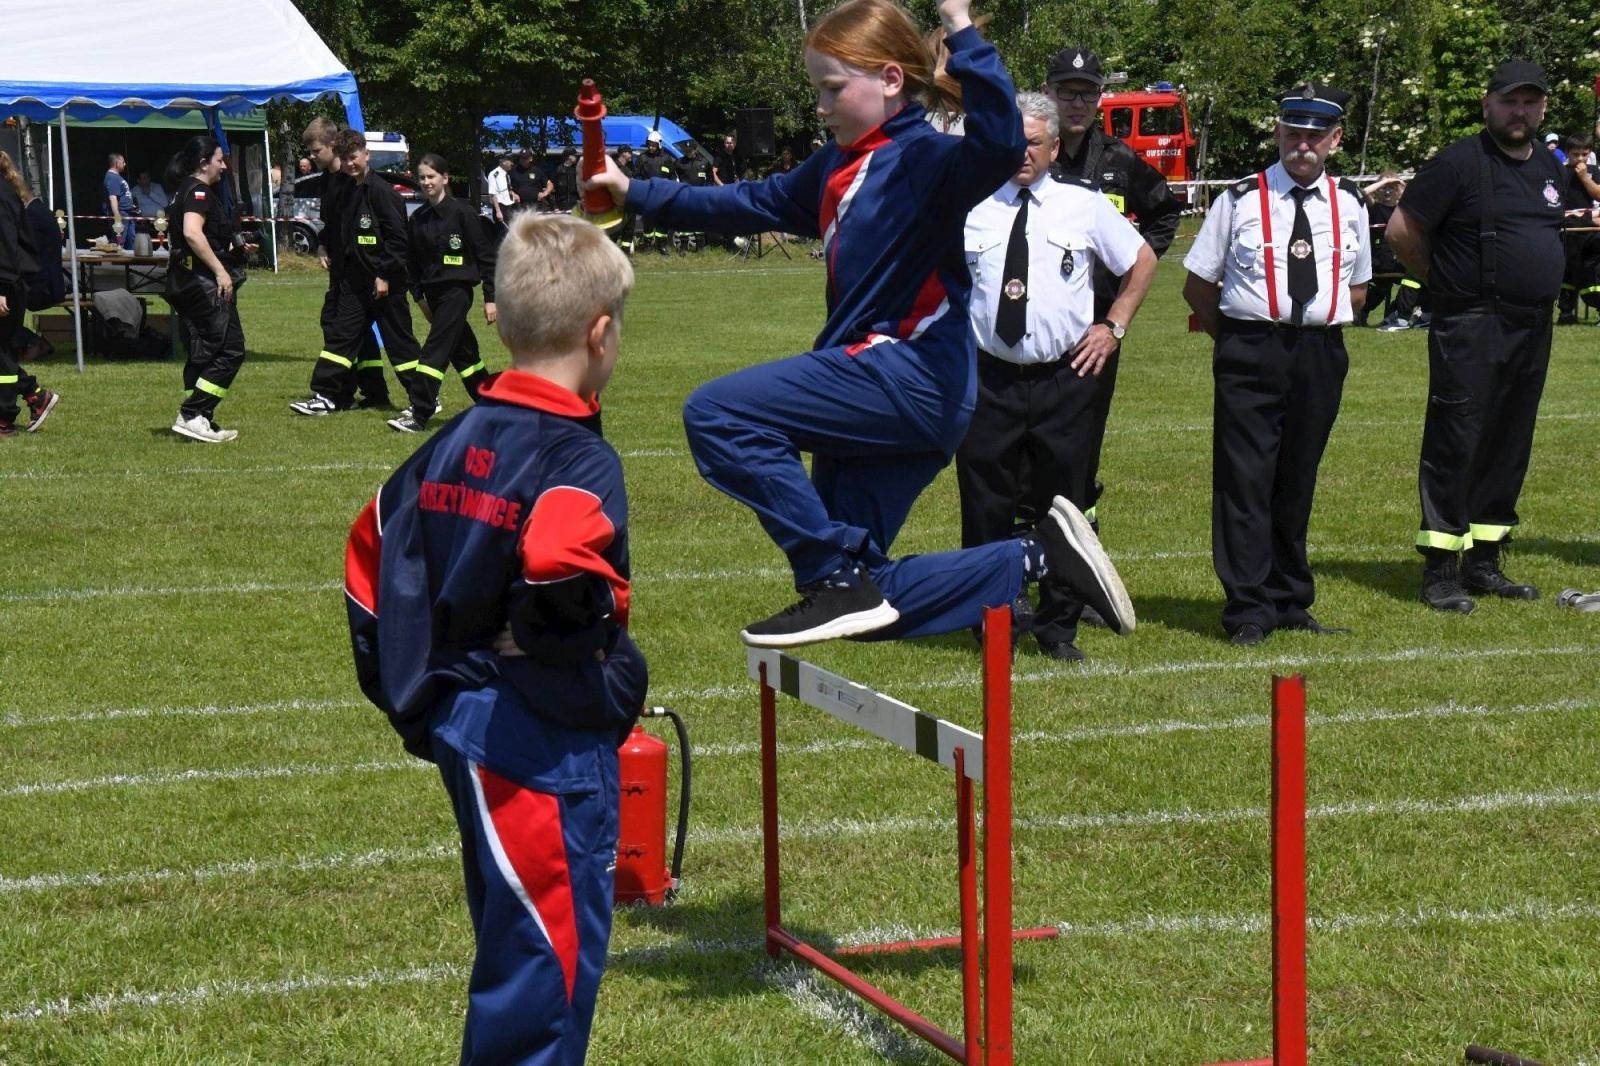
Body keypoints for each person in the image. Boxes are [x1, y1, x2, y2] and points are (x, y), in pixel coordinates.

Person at [586, 0, 1135, 647]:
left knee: (718, 414)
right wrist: (636, 192)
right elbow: (748, 202)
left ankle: (828, 571)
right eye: (818, 90)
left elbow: (999, 141)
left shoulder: (927, 160)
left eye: (833, 88)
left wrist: (959, 26)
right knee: (861, 600)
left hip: (910, 373)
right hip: (895, 391)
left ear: (891, 80)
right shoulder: (836, 165)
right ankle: (1039, 556)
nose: (821, 106)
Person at [344, 212, 646, 1066]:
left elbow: (369, 552)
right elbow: (555, 555)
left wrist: (416, 688)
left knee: (516, 948)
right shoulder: (578, 456)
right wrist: (570, 638)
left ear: (499, 320)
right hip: (540, 744)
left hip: (467, 726)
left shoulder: (453, 438)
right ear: (600, 334)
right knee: (543, 979)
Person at [957, 91, 1156, 662]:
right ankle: (992, 621)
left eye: (1035, 143)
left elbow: (1141, 260)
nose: (1023, 153)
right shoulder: (970, 206)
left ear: (1051, 148)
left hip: (1065, 378)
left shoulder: (1083, 205)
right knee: (986, 504)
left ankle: (1058, 627)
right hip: (988, 377)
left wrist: (1113, 326)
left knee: (1064, 508)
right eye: (1013, 142)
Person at [1182, 82, 1371, 646]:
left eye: (1315, 136)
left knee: (1298, 475)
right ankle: (1248, 606)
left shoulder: (1351, 204)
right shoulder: (1239, 199)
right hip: (1251, 348)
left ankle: (1290, 599)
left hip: (1320, 351)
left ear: (1336, 140)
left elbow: (1358, 290)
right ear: (1278, 133)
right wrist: (1241, 341)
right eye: (1293, 134)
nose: (1303, 146)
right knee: (1244, 479)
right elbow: (1198, 286)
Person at [1386, 60, 1573, 613]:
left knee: (1508, 441)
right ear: (1487, 104)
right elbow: (1401, 231)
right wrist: (1444, 283)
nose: (1520, 111)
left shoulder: (1550, 166)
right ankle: (1441, 570)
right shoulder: (1458, 163)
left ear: (1543, 108)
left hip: (1532, 324)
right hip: (1472, 321)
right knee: (1457, 440)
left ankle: (1485, 561)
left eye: (1530, 102)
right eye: (1510, 101)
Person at [1043, 44, 1181, 629]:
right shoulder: (1029, 156)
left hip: (1094, 336)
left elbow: (1165, 214)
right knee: (1022, 464)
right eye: (1066, 92)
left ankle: (1079, 583)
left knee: (1079, 458)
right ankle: (1021, 579)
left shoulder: (1119, 162)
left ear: (1098, 99)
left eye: (1086, 93)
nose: (1076, 103)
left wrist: (1129, 268)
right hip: (1031, 332)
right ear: (1048, 95)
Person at [291, 129, 428, 418]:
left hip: (386, 283)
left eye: (354, 157)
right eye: (345, 159)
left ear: (367, 155)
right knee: (341, 336)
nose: (350, 164)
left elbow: (398, 241)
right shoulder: (350, 190)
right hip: (355, 281)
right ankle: (326, 396)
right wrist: (325, 245)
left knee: (399, 343)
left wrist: (384, 274)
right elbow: (341, 230)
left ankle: (425, 397)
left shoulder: (383, 193)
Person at [289, 118, 391, 414]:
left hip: (360, 269)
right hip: (341, 268)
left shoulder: (353, 181)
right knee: (358, 332)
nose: (312, 157)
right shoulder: (328, 180)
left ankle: (331, 394)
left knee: (340, 327)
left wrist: (379, 270)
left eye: (316, 150)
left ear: (333, 145)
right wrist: (322, 244)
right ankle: (374, 392)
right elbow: (332, 224)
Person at [396, 153, 498, 433]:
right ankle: (493, 407)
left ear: (445, 178)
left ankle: (419, 412)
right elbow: (412, 264)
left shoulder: (463, 213)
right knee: (465, 355)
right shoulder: (418, 218)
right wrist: (419, 298)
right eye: (422, 177)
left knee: (435, 350)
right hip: (433, 296)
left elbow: (486, 258)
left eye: (431, 176)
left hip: (457, 292)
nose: (426, 182)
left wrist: (491, 298)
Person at [164, 135, 252, 443]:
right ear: (203, 163)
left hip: (186, 281)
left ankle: (200, 417)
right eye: (219, 160)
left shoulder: (183, 190)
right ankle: (192, 414)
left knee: (202, 351)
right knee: (230, 349)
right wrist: (220, 270)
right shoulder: (199, 191)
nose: (224, 166)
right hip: (203, 283)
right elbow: (192, 233)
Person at [0, 150, 60, 437]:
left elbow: (5, 246)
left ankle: (8, 415)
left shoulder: (1, 196)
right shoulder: (7, 192)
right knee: (4, 352)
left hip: (7, 284)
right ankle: (35, 395)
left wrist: (1, 288)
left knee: (3, 354)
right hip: (10, 282)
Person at [6, 174, 66, 365]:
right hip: (47, 282)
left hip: (41, 287)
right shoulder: (41, 211)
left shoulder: (32, 216)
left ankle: (31, 341)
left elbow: (19, 252)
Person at [104, 152, 137, 250]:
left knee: (131, 239)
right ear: (117, 163)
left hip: (128, 213)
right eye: (123, 162)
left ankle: (131, 258)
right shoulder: (112, 177)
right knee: (119, 241)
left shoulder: (117, 177)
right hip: (121, 213)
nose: (125, 164)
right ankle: (118, 259)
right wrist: (117, 215)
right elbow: (113, 197)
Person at [510, 152, 552, 217]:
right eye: (521, 158)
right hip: (519, 205)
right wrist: (513, 194)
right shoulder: (513, 170)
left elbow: (549, 184)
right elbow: (506, 186)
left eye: (525, 158)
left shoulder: (537, 170)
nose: (522, 160)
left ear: (530, 159)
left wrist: (545, 193)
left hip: (536, 205)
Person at [487, 154, 516, 228]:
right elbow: (493, 194)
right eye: (510, 161)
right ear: (504, 162)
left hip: (509, 206)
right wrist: (498, 211)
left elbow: (506, 189)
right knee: (503, 232)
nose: (512, 163)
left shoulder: (506, 174)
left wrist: (514, 194)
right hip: (501, 208)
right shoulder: (494, 174)